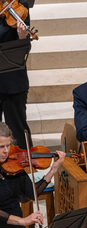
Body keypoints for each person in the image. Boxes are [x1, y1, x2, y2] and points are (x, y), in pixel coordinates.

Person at [0, 3, 33, 150]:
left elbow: (25, 46)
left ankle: (25, 169)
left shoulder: (19, 8)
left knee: (18, 129)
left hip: (13, 81)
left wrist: (22, 37)